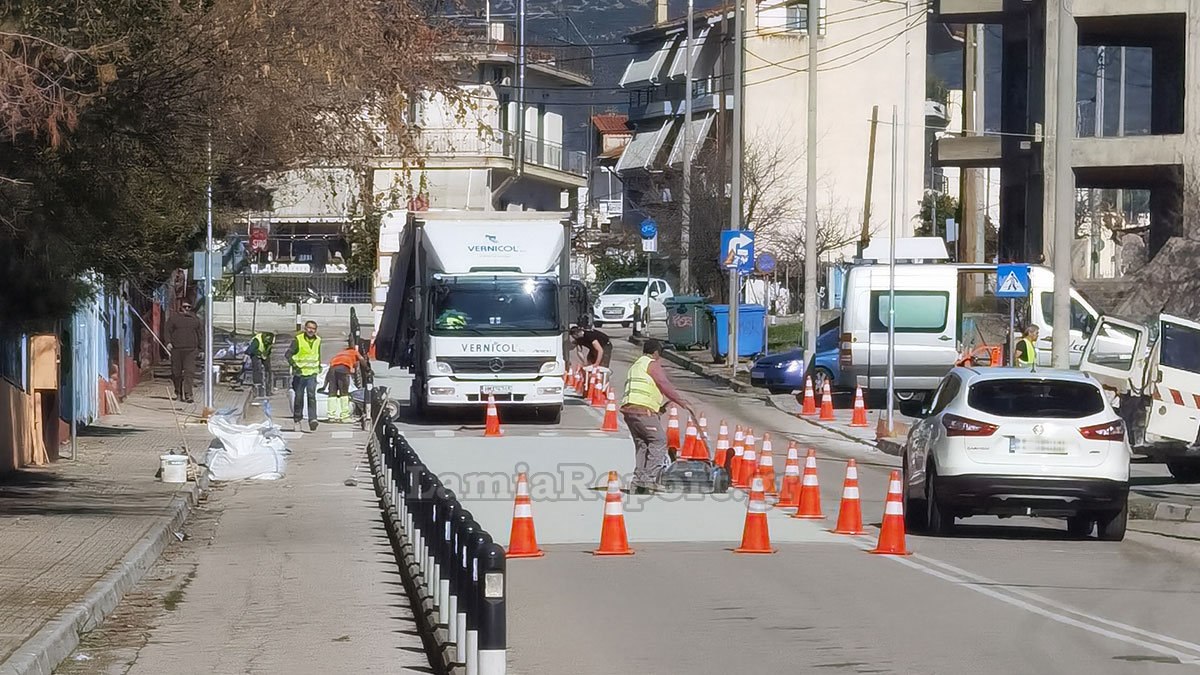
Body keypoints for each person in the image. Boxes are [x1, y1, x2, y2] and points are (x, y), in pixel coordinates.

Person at [620, 339, 695, 493]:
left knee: (642, 444)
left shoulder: (636, 365)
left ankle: (638, 482)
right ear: (656, 353)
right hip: (642, 411)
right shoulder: (652, 363)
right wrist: (681, 402)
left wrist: (659, 408)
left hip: (630, 411)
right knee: (659, 440)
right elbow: (663, 383)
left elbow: (641, 390)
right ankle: (648, 479)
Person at [286, 321, 322, 432]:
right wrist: (295, 366)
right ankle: (297, 420)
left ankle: (312, 419)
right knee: (299, 397)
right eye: (309, 328)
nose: (311, 330)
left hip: (312, 374)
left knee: (311, 396)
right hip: (300, 374)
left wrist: (319, 366)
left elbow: (317, 354)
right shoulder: (298, 340)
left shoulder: (318, 340)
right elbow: (288, 354)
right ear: (305, 328)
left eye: (313, 329)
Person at [323, 342, 372, 423]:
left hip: (332, 370)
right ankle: (344, 416)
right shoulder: (354, 352)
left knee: (332, 394)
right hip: (343, 369)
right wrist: (367, 369)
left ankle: (331, 416)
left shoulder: (339, 354)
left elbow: (328, 373)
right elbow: (361, 359)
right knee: (344, 394)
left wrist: (324, 386)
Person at [165, 301, 203, 403]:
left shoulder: (195, 319)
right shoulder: (174, 319)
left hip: (191, 350)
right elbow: (167, 331)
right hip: (176, 350)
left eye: (188, 307)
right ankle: (178, 392)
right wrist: (168, 342)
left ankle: (188, 394)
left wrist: (201, 349)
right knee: (176, 373)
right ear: (180, 307)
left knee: (189, 372)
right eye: (184, 307)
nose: (186, 309)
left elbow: (200, 334)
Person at [246, 331, 276, 397]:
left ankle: (268, 389)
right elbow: (248, 351)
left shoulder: (269, 343)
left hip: (264, 354)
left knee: (268, 370)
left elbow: (268, 352)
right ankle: (258, 385)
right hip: (255, 354)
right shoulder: (257, 341)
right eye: (267, 343)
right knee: (257, 368)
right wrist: (258, 353)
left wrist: (265, 355)